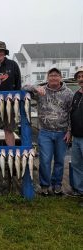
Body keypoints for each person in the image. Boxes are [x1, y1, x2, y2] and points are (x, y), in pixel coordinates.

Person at [23, 68, 73, 196]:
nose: (53, 78)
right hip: (44, 132)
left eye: (56, 76)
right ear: (47, 78)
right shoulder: (41, 90)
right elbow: (24, 87)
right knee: (45, 160)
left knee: (60, 161)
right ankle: (44, 185)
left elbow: (72, 114)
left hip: (62, 133)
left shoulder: (68, 93)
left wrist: (69, 131)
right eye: (51, 76)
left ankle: (57, 185)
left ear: (61, 78)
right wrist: (36, 88)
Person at [69, 66, 83, 200]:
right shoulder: (76, 94)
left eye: (82, 76)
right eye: (79, 77)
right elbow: (71, 114)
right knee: (77, 165)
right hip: (76, 136)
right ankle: (79, 190)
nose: (81, 79)